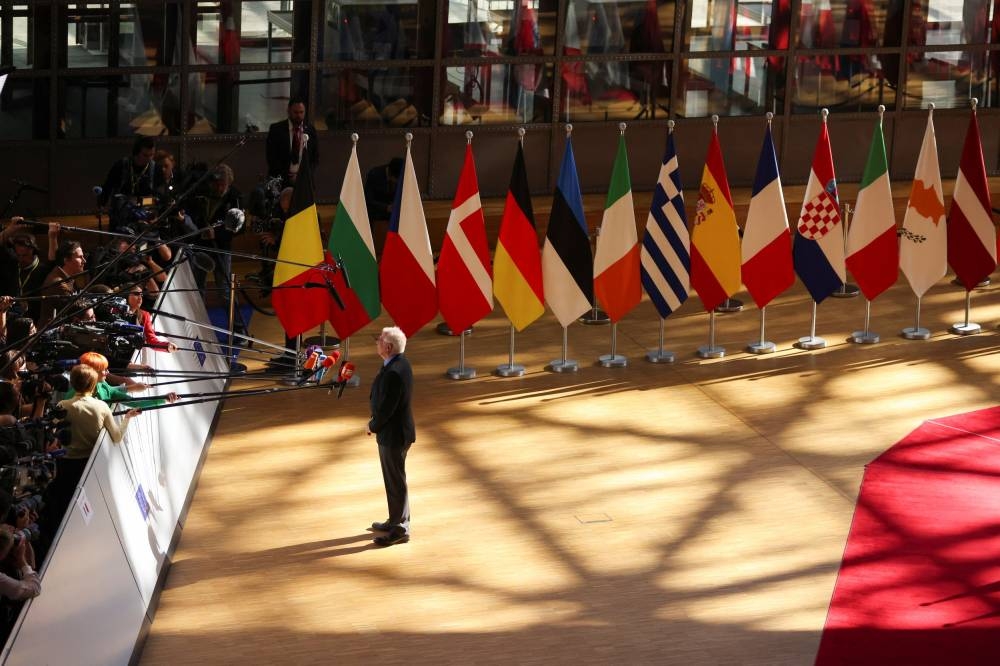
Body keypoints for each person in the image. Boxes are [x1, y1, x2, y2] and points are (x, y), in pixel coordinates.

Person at [366, 326, 415, 547]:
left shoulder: (395, 371)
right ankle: (395, 519)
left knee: (395, 482)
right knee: (393, 480)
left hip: (394, 435)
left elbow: (387, 408)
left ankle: (400, 528)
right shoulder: (397, 364)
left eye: (379, 340)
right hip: (395, 432)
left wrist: (372, 426)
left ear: (387, 347)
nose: (377, 343)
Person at [98, 135, 162, 213]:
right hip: (122, 209)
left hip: (146, 209)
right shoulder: (121, 165)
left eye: (151, 155)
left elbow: (159, 192)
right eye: (145, 155)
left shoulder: (155, 168)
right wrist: (102, 204)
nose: (149, 159)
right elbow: (108, 185)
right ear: (136, 152)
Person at [265, 97, 319, 187]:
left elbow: (314, 158)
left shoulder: (310, 130)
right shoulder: (276, 130)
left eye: (301, 112)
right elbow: (271, 158)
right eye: (296, 112)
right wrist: (288, 177)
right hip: (281, 181)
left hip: (304, 181)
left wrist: (302, 175)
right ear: (289, 111)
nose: (298, 115)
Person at [38, 240, 86, 327]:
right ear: (66, 260)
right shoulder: (58, 283)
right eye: (80, 257)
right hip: (50, 334)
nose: (84, 261)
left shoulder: (67, 277)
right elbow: (75, 309)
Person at [125, 285, 178, 353]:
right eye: (136, 294)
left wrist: (166, 346)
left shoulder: (144, 315)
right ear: (126, 295)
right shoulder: (116, 308)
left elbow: (151, 340)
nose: (140, 298)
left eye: (141, 295)